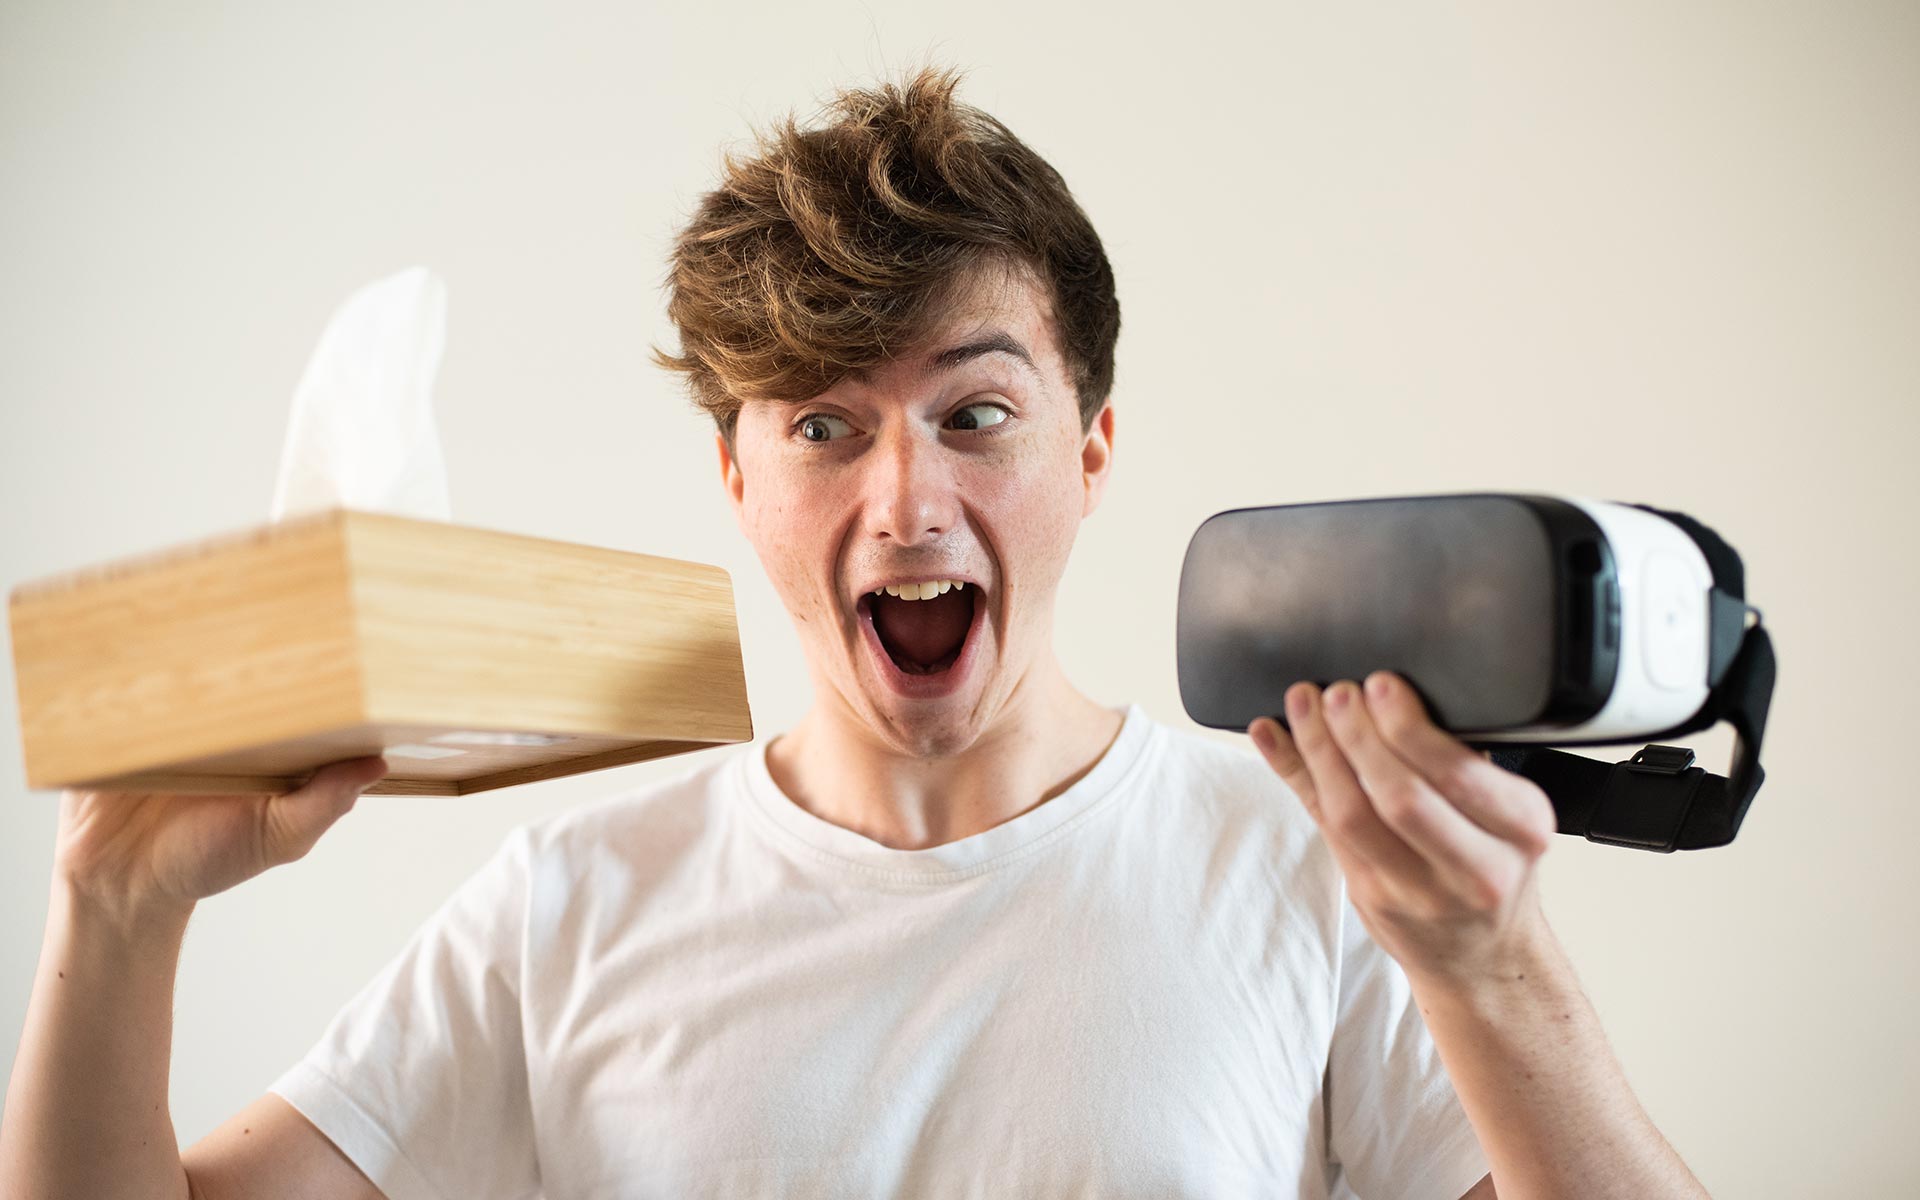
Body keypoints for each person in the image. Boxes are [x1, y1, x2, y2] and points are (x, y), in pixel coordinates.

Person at [0, 66, 1709, 1200]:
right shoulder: (570, 903)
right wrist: (117, 906)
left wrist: (1496, 967)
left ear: (1090, 449)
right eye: (823, 427)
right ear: (735, 482)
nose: (903, 506)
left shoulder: (1311, 863)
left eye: (974, 415)